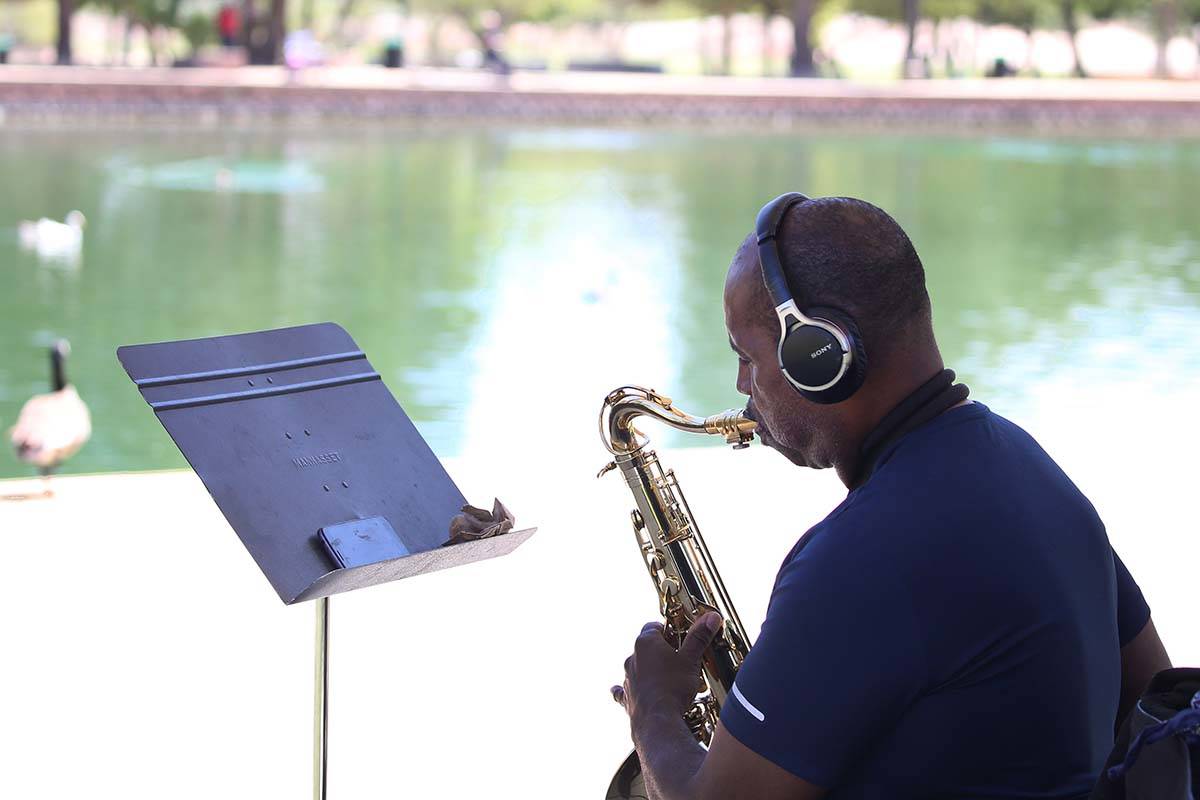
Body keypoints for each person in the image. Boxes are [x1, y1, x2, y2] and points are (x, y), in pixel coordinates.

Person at [613, 194, 1171, 799]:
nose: (742, 385)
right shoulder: (1032, 471)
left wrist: (657, 713)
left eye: (746, 357)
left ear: (819, 355)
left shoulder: (860, 559)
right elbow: (1157, 700)